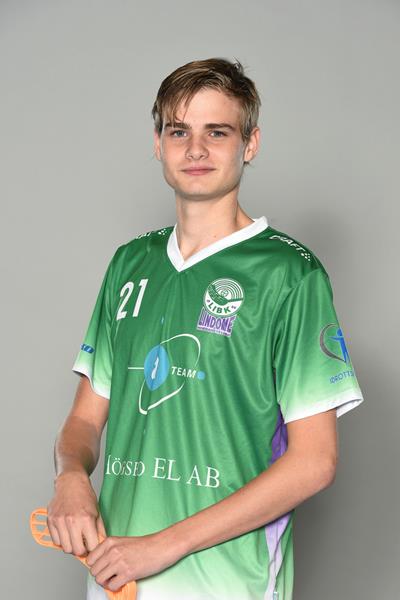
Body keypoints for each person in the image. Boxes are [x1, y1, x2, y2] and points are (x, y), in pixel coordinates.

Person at [47, 57, 364, 600]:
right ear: (158, 144)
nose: (195, 149)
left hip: (227, 583)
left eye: (217, 132)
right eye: (179, 131)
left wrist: (164, 545)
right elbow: (84, 418)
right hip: (115, 581)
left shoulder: (290, 274)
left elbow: (314, 461)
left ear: (250, 143)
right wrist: (70, 476)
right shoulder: (130, 263)